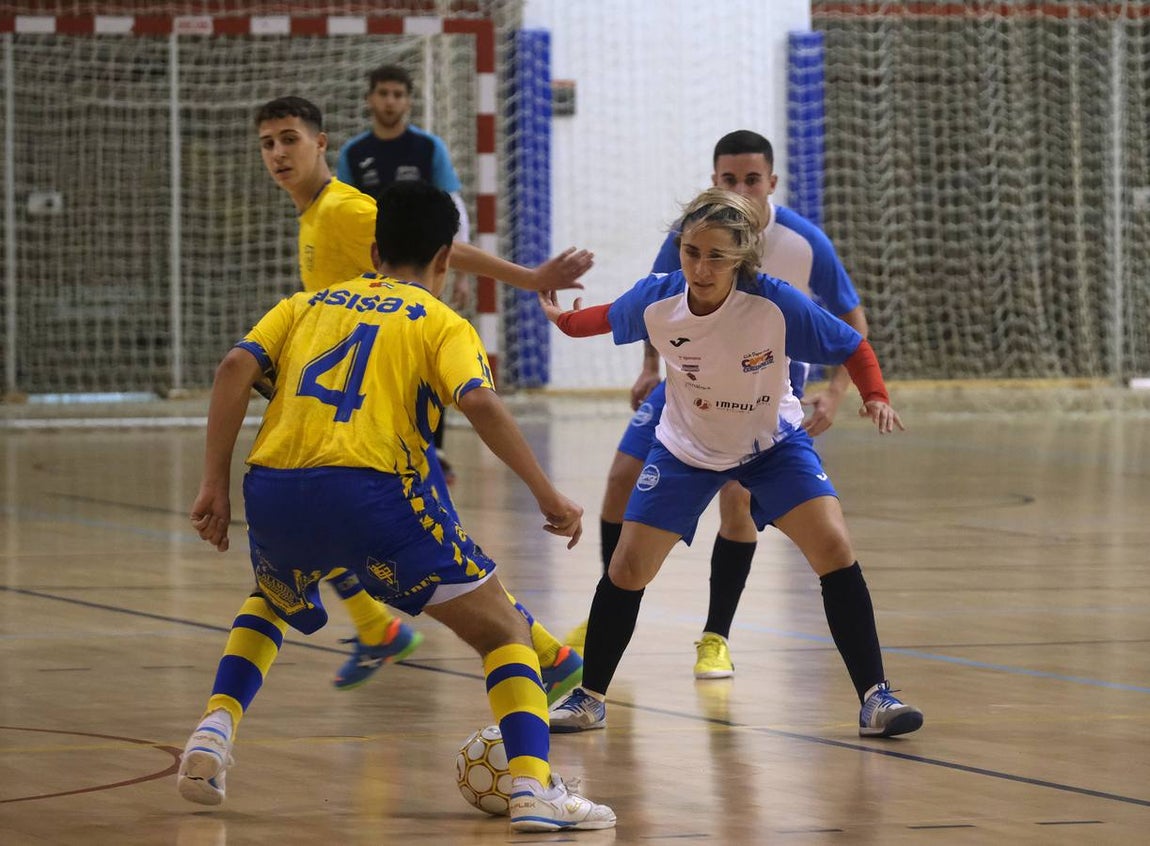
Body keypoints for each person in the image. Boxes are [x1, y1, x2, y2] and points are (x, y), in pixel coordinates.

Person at [176, 180, 615, 832]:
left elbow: (234, 369)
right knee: (504, 632)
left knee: (270, 597)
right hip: (375, 493)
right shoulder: (442, 321)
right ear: (445, 260)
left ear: (374, 248)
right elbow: (481, 403)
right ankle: (532, 788)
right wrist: (548, 494)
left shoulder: (305, 304)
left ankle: (214, 729)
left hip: (273, 486)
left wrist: (212, 484)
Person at [542, 188, 924, 740]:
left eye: (716, 256)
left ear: (742, 258)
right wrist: (560, 318)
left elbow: (854, 346)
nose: (700, 266)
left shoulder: (777, 303)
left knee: (835, 549)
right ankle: (589, 698)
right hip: (686, 449)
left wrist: (875, 395)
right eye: (692, 251)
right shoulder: (657, 299)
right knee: (627, 569)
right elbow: (597, 320)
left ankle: (876, 698)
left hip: (772, 446)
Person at [255, 95, 584, 700]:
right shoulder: (313, 215)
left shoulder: (347, 210)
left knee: (426, 549)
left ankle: (544, 653)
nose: (279, 152)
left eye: (289, 139)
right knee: (333, 526)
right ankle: (381, 628)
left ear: (321, 143)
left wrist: (531, 279)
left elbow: (440, 248)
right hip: (349, 405)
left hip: (388, 399)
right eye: (269, 142)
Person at [568, 130, 870, 682]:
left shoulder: (804, 245)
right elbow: (655, 301)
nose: (741, 188)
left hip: (757, 384)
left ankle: (716, 636)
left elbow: (851, 326)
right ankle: (606, 615)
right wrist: (648, 368)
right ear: (715, 182)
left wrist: (836, 392)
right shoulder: (697, 233)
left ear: (771, 182)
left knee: (737, 502)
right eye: (729, 179)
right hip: (687, 377)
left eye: (751, 179)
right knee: (619, 479)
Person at [337, 63, 469, 478]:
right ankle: (365, 440)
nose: (390, 101)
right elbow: (340, 215)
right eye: (383, 93)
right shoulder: (354, 154)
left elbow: (454, 209)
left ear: (408, 100)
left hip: (423, 271)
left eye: (398, 94)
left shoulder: (428, 149)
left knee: (426, 357)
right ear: (370, 99)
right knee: (369, 354)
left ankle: (435, 448)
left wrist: (457, 270)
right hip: (370, 271)